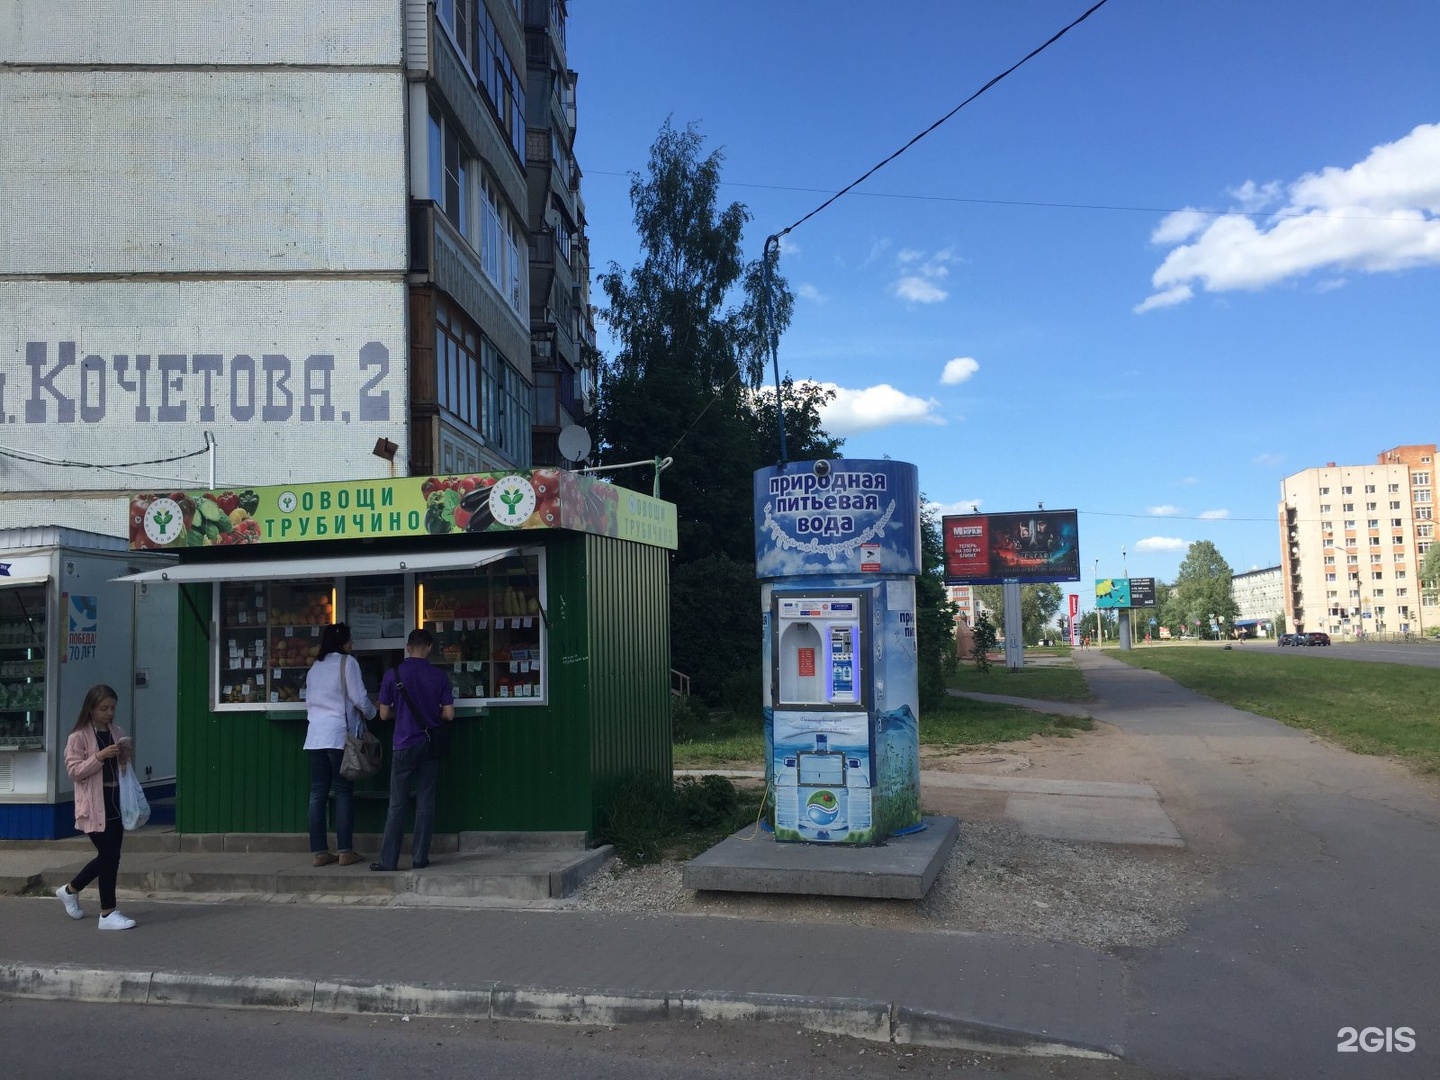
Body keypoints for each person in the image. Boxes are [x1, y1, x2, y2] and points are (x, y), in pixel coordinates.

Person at [371, 628, 454, 871]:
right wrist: (433, 713)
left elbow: (384, 714)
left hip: (403, 744)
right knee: (426, 800)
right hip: (429, 744)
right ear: (428, 647)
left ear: (408, 647)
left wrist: (403, 713)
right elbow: (449, 714)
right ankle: (419, 857)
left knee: (397, 803)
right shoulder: (438, 676)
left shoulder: (392, 674)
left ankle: (388, 860)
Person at [58, 684, 137, 930]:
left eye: (112, 708)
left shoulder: (117, 731)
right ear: (91, 708)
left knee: (110, 856)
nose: (109, 713)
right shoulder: (78, 737)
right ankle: (107, 913)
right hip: (93, 804)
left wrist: (123, 756)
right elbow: (74, 772)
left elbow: (121, 769)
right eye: (104, 708)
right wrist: (100, 756)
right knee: (110, 855)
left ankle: (71, 890)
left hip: (115, 800)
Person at [303, 622, 377, 867]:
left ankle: (319, 852)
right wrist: (373, 713)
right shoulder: (348, 663)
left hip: (315, 736)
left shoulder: (315, 667)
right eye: (350, 640)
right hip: (339, 736)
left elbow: (309, 701)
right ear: (343, 643)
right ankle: (345, 850)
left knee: (317, 793)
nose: (352, 644)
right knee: (344, 790)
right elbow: (358, 698)